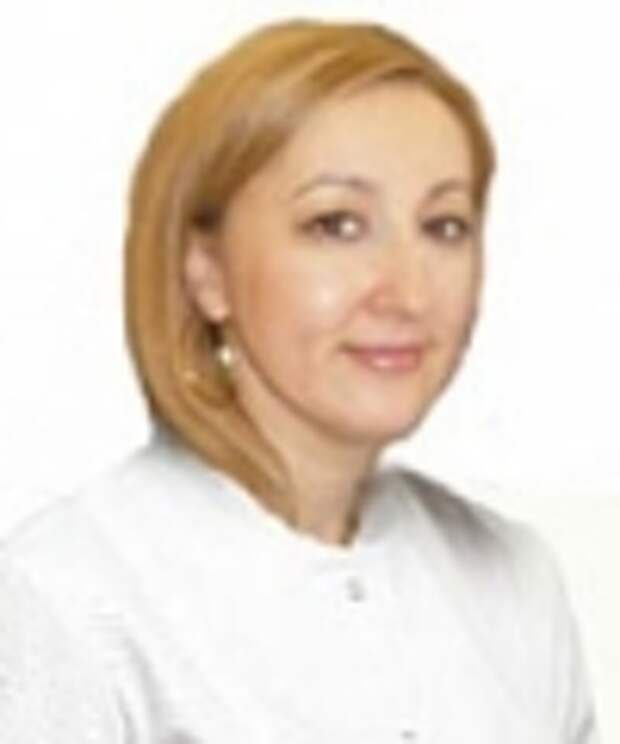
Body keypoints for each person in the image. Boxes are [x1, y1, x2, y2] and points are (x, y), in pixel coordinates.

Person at [0, 17, 598, 744]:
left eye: (444, 226)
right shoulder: (72, 597)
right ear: (206, 271)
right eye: (336, 225)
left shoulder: (515, 583)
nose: (409, 293)